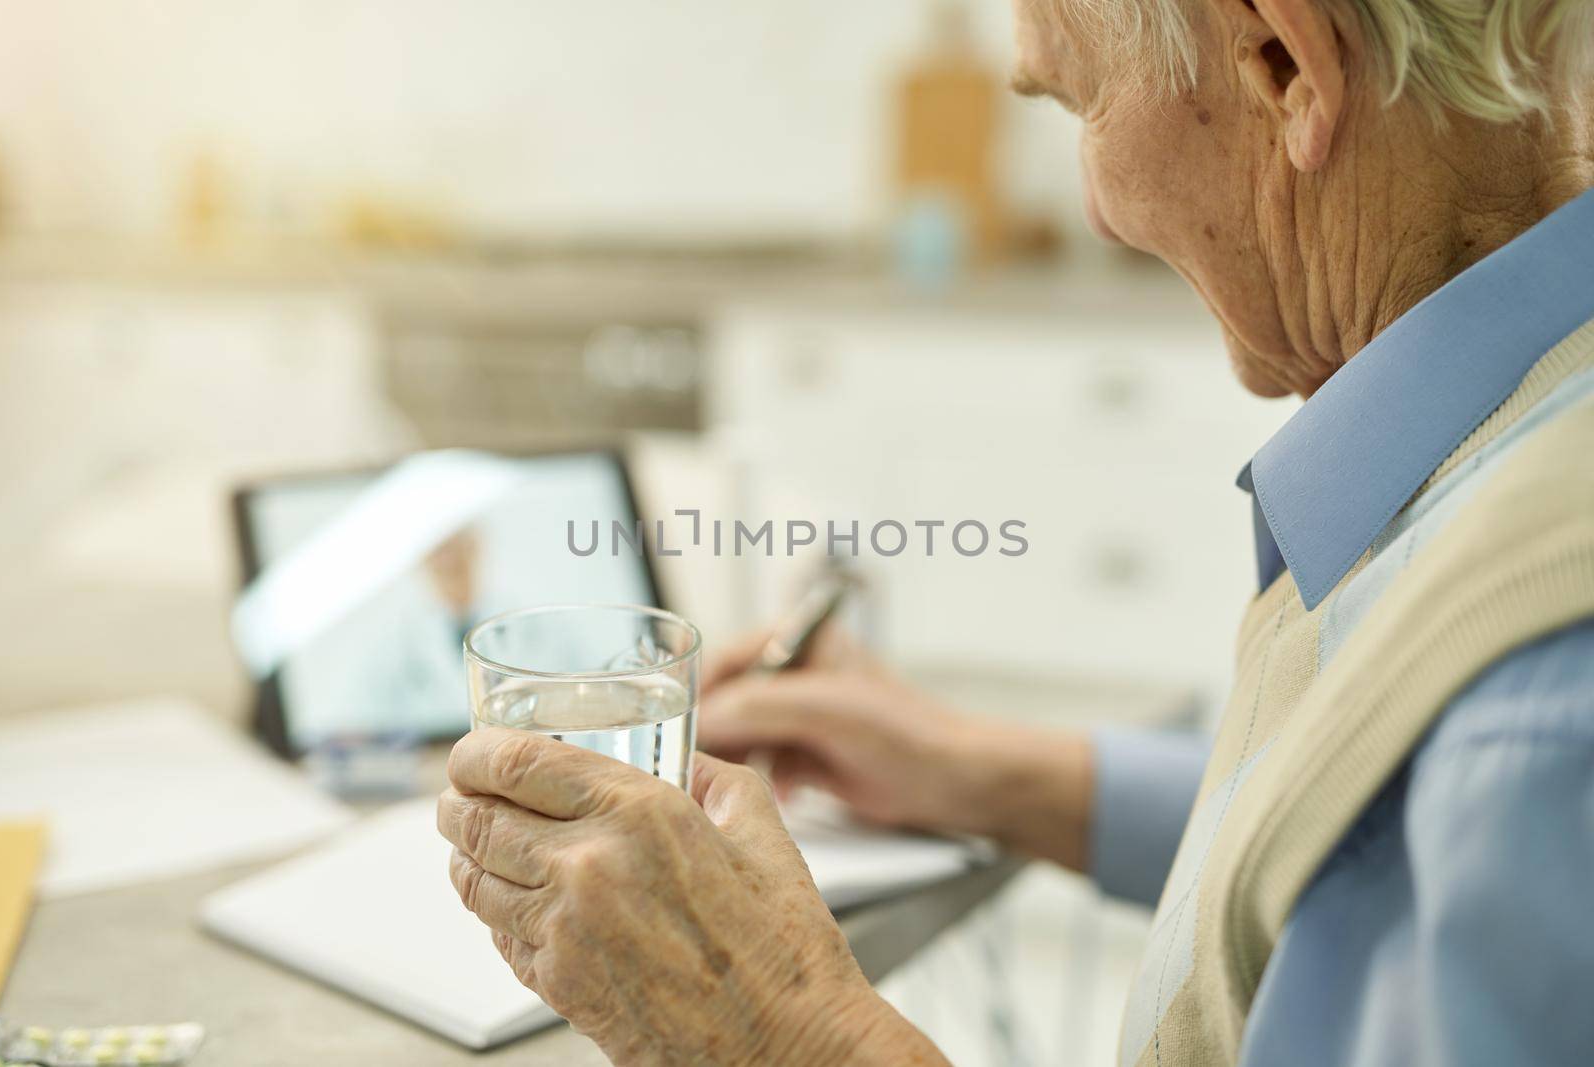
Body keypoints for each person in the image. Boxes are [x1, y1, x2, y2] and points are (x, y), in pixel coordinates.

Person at [437, 0, 1594, 1061]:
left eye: (1081, 103)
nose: (1094, 208)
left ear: (1284, 64)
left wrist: (777, 1022)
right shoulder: (1518, 443)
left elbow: (1467, 784)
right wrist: (979, 768)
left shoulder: (1532, 726)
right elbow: (1359, 827)